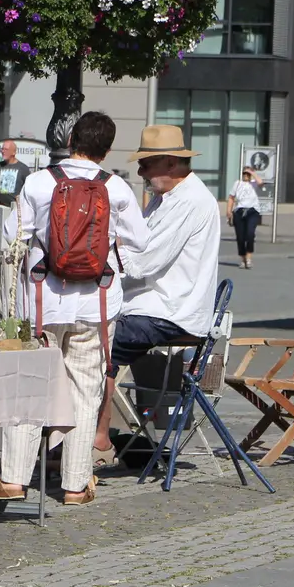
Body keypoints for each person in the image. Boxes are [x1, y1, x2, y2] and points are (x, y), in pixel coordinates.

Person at [0, 112, 147, 506]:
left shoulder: (39, 182)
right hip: (96, 301)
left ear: (71, 138)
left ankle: (15, 478)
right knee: (85, 391)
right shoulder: (117, 188)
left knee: (29, 384)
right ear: (106, 149)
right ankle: (76, 485)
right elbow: (139, 243)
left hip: (42, 300)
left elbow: (11, 237)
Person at [91, 125, 222, 466]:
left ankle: (99, 436)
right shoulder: (167, 199)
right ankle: (86, 432)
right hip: (151, 303)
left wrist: (107, 247)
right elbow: (136, 249)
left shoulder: (190, 201)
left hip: (170, 310)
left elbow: (142, 262)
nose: (140, 172)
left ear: (168, 163)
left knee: (99, 344)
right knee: (90, 334)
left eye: (146, 165)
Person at [227, 167, 262, 269]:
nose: (246, 175)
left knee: (250, 234)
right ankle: (243, 259)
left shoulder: (254, 183)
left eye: (247, 173)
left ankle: (249, 258)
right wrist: (229, 211)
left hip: (252, 211)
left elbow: (260, 183)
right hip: (239, 211)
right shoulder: (237, 183)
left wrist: (253, 173)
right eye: (244, 173)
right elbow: (231, 197)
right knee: (240, 237)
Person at [0, 139, 32, 207]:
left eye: (6, 149)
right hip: (0, 207)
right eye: (2, 149)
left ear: (13, 152)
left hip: (16, 207)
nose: (3, 151)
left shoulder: (23, 168)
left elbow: (29, 191)